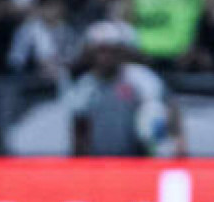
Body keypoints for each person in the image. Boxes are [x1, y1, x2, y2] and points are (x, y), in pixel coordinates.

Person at [69, 21, 185, 157]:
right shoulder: (85, 87)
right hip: (99, 162)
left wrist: (178, 140)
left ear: (120, 52)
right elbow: (79, 130)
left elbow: (169, 105)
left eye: (112, 50)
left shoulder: (140, 78)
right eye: (101, 50)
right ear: (92, 54)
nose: (106, 56)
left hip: (136, 162)